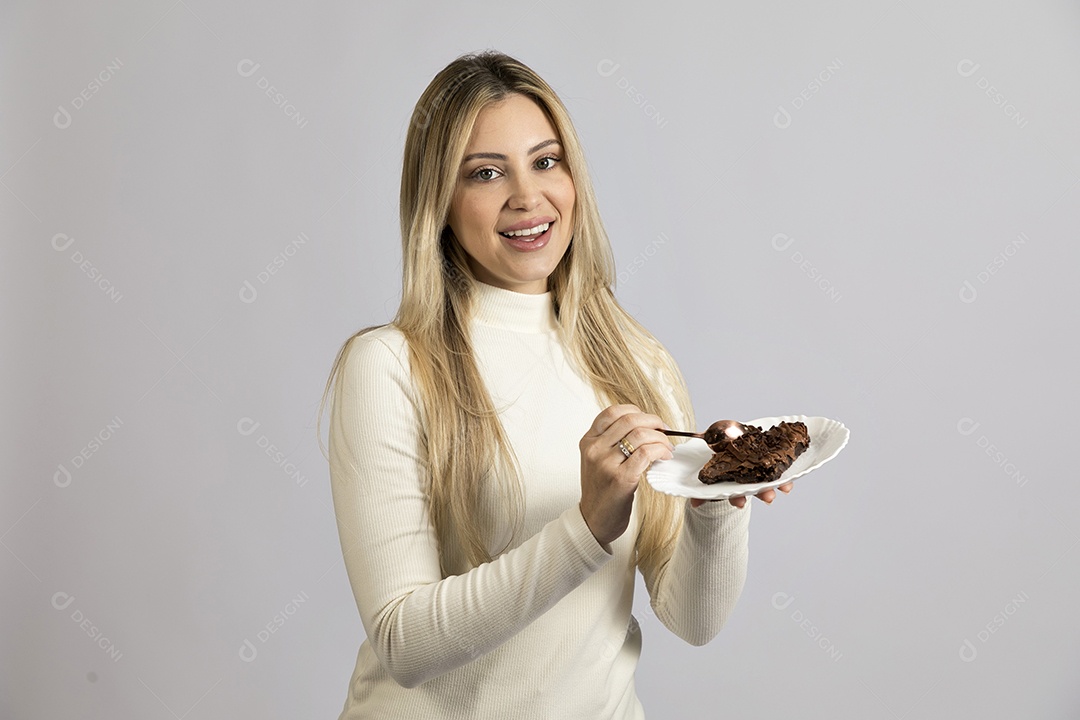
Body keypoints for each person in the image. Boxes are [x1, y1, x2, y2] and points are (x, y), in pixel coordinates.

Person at [318, 50, 792, 720]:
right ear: (440, 203)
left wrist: (714, 499)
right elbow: (405, 643)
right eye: (486, 173)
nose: (527, 196)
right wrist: (588, 525)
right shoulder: (390, 367)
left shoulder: (636, 363)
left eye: (546, 161)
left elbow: (691, 619)